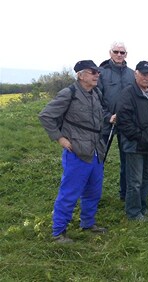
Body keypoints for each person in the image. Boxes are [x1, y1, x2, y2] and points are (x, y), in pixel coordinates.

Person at [39, 60, 107, 243]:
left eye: (98, 72)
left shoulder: (96, 93)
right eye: (93, 72)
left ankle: (88, 223)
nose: (96, 75)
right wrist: (60, 138)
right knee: (69, 192)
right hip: (77, 151)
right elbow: (46, 115)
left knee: (94, 191)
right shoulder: (69, 93)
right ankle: (58, 232)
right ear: (81, 75)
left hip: (96, 150)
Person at [116, 61, 148, 221]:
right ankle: (133, 212)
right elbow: (123, 120)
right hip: (135, 144)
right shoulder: (128, 93)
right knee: (134, 181)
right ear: (136, 74)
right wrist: (140, 136)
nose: (147, 77)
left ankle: (141, 206)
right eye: (143, 74)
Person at [97, 41, 135, 201]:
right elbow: (96, 99)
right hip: (106, 123)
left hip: (126, 124)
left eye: (122, 52)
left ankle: (125, 194)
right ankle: (94, 194)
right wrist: (108, 116)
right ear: (110, 53)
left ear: (126, 54)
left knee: (127, 160)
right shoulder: (101, 73)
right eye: (116, 52)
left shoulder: (132, 73)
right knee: (99, 159)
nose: (119, 55)